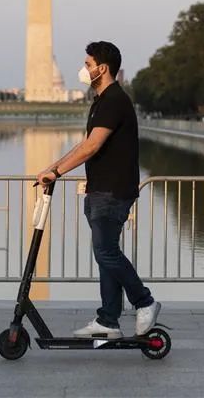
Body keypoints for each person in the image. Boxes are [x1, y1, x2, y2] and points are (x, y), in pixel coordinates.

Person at [37, 41, 160, 339]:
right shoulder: (101, 101)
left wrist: (56, 171)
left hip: (113, 190)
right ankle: (108, 321)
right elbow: (84, 145)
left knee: (105, 252)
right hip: (100, 189)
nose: (84, 69)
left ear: (102, 68)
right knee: (106, 253)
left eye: (88, 64)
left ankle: (145, 301)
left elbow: (92, 146)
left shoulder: (115, 100)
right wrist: (53, 168)